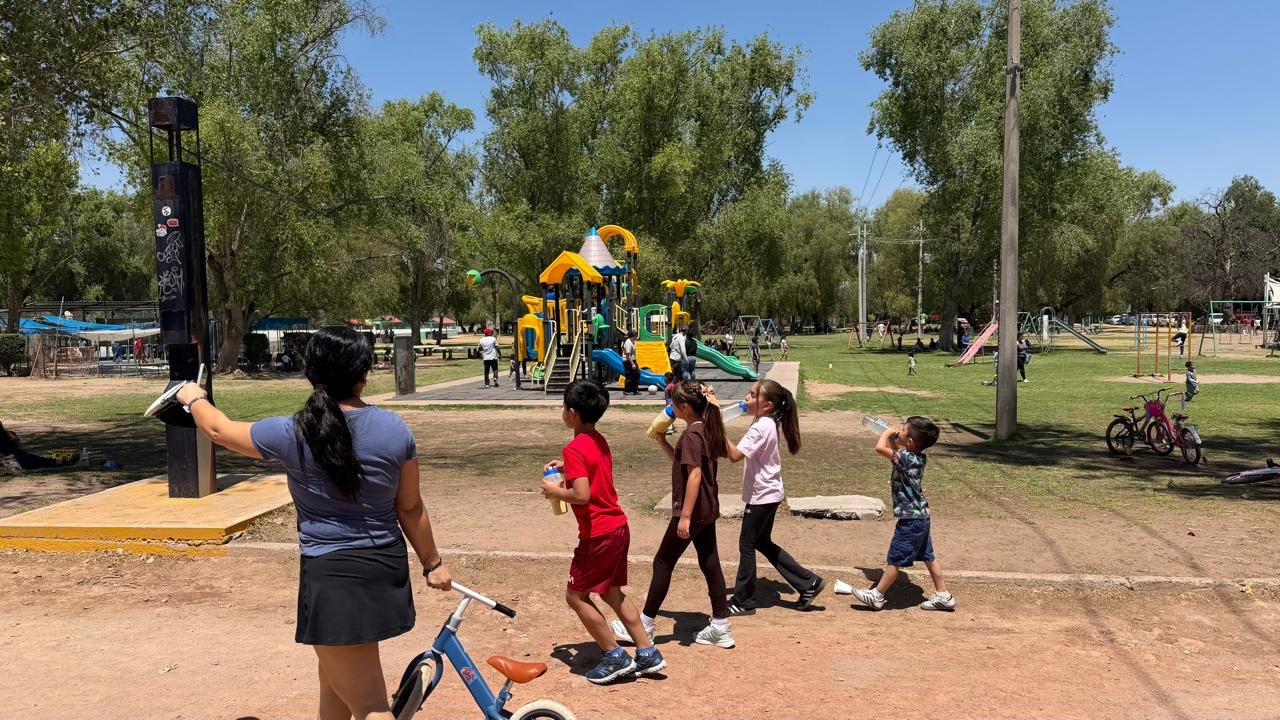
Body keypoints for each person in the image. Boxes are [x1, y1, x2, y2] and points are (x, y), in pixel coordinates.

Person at [173, 326, 452, 720]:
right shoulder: (394, 430)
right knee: (334, 684)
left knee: (371, 706)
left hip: (335, 577)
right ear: (363, 375)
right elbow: (409, 507)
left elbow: (218, 429)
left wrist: (192, 397)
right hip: (384, 568)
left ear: (312, 374)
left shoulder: (292, 432)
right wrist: (433, 564)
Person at [540, 380, 665, 684]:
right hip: (618, 528)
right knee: (611, 592)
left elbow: (581, 495)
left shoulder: (573, 447)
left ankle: (614, 656)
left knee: (576, 595)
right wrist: (568, 471)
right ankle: (647, 653)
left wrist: (555, 489)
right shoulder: (598, 439)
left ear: (571, 413)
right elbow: (592, 475)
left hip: (598, 534)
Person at [613, 381, 734, 649]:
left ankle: (645, 624)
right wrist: (662, 442)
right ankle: (721, 626)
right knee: (710, 562)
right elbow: (684, 463)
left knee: (662, 563)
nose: (670, 409)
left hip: (694, 510)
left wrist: (685, 516)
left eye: (673, 405)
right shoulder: (705, 429)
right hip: (707, 507)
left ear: (684, 408)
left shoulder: (691, 435)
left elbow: (694, 474)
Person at [724, 380, 823, 615]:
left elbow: (735, 455)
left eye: (752, 395)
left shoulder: (761, 426)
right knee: (761, 542)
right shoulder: (765, 421)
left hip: (762, 496)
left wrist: (718, 426)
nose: (746, 398)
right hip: (769, 493)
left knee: (747, 544)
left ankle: (743, 601)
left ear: (767, 405)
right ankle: (808, 582)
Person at [853, 417, 954, 612]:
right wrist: (895, 437)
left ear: (909, 442)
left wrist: (885, 432)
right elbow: (894, 450)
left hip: (910, 520)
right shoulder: (916, 456)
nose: (898, 431)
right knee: (929, 557)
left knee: (895, 558)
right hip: (921, 516)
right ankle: (944, 595)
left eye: (903, 430)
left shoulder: (906, 457)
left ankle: (877, 595)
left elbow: (880, 448)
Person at [622, 330, 640, 395]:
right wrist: (632, 364)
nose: (637, 337)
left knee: (637, 374)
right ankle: (627, 390)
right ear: (633, 336)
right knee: (629, 376)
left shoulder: (632, 342)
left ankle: (634, 390)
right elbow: (628, 355)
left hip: (633, 360)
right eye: (636, 336)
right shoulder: (628, 343)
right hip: (628, 361)